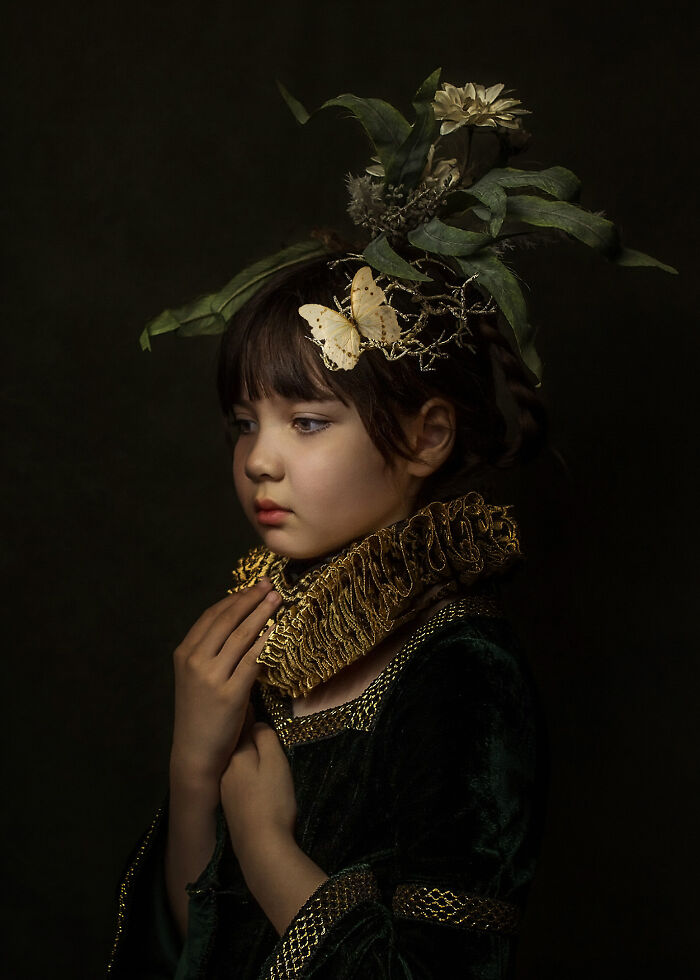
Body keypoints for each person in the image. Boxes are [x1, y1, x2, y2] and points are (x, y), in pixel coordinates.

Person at [108, 73, 674, 979]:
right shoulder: (262, 643)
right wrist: (191, 766)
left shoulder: (461, 671)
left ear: (425, 438)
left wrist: (262, 843)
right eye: (243, 424)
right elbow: (186, 957)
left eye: (307, 421)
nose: (259, 459)